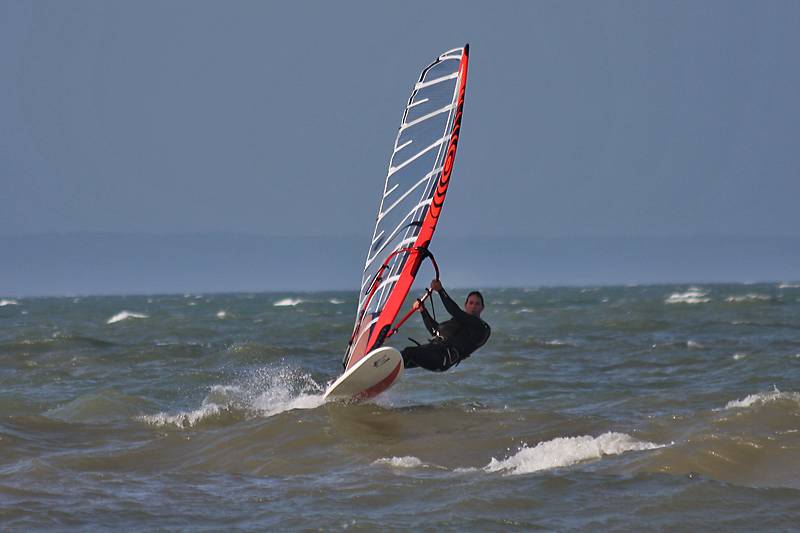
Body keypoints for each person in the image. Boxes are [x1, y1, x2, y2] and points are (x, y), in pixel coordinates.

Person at [401, 279, 490, 372]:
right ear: (466, 305)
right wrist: (423, 311)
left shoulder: (481, 327)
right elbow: (435, 331)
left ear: (482, 308)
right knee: (401, 356)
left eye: (477, 304)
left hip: (442, 358)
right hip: (433, 350)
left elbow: (455, 311)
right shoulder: (458, 321)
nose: (473, 307)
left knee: (409, 352)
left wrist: (440, 290)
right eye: (471, 303)